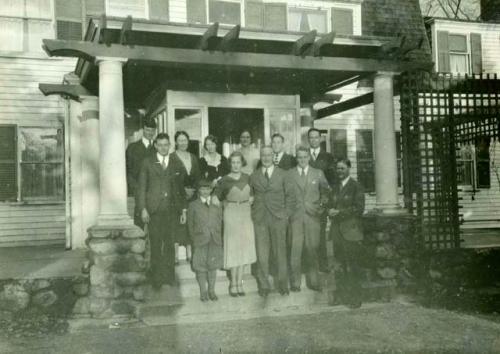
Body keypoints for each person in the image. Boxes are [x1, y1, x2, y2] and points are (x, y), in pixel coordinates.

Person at [137, 133, 187, 290]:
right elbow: (141, 188)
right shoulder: (147, 162)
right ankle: (157, 279)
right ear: (156, 145)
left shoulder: (175, 162)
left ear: (170, 145)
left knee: (170, 244)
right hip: (154, 211)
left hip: (171, 211)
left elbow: (180, 188)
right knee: (156, 245)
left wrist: (183, 210)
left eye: (166, 144)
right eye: (161, 144)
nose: (164, 147)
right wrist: (143, 209)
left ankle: (169, 277)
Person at [250, 146, 295, 297]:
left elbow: (290, 196)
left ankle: (282, 284)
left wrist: (286, 214)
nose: (266, 157)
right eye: (263, 155)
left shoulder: (283, 174)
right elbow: (250, 196)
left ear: (273, 157)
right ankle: (264, 285)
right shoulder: (254, 176)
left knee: (280, 253)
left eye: (269, 155)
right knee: (262, 254)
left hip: (278, 219)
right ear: (260, 156)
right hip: (260, 219)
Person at [213, 152, 257, 297]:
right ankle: (233, 284)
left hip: (245, 214)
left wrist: (251, 199)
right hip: (231, 214)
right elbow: (214, 198)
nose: (236, 165)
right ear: (230, 164)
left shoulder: (248, 177)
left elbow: (254, 194)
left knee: (243, 248)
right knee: (233, 249)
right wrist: (224, 205)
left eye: (238, 162)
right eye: (233, 162)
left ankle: (240, 283)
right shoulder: (224, 180)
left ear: (242, 163)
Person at [288, 146, 330, 292]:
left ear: (309, 158)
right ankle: (295, 282)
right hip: (296, 217)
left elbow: (326, 192)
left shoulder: (317, 173)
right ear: (296, 158)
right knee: (296, 249)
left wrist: (321, 207)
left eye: (305, 157)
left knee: (313, 249)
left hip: (313, 217)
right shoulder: (289, 174)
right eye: (299, 157)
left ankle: (314, 281)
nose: (302, 160)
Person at [328, 159, 365, 309]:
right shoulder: (335, 187)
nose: (339, 171)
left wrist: (339, 212)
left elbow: (359, 208)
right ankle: (343, 296)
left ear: (349, 168)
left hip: (351, 232)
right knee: (340, 265)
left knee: (353, 266)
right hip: (337, 232)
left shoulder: (356, 186)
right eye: (338, 169)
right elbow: (331, 204)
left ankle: (355, 298)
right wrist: (329, 210)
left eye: (342, 168)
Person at [187, 178, 223, 302]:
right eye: (202, 189)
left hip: (214, 239)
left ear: (211, 190)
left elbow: (220, 220)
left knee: (213, 266)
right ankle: (203, 291)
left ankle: (212, 291)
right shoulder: (193, 205)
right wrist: (194, 239)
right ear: (198, 190)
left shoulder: (216, 204)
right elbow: (190, 225)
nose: (205, 191)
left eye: (207, 189)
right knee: (200, 267)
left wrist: (218, 234)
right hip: (200, 239)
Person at [170, 131, 201, 264]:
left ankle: (190, 254)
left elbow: (198, 176)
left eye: (185, 140)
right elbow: (171, 179)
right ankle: (175, 256)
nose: (183, 143)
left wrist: (193, 190)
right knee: (177, 224)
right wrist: (183, 191)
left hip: (192, 196)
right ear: (176, 142)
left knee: (190, 224)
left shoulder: (193, 157)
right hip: (176, 196)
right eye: (180, 140)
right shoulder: (171, 157)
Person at [307, 128, 335, 273]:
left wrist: (326, 203)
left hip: (321, 203)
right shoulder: (304, 156)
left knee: (321, 235)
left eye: (316, 137)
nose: (313, 140)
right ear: (308, 140)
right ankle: (309, 266)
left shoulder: (328, 157)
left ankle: (323, 264)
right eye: (311, 138)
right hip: (307, 203)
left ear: (320, 139)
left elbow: (332, 182)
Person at [126, 118, 157, 228]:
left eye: (152, 130)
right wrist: (136, 189)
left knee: (155, 230)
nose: (150, 133)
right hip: (139, 193)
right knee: (139, 228)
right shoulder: (132, 148)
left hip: (156, 195)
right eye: (148, 130)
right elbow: (128, 171)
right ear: (143, 129)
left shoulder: (158, 148)